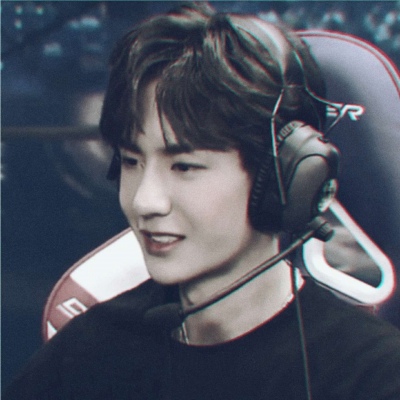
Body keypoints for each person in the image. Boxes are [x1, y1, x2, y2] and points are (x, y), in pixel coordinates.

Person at [4, 2, 400, 399]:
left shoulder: (374, 375)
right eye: (131, 161)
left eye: (184, 167)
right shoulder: (86, 354)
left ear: (281, 178)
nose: (145, 202)